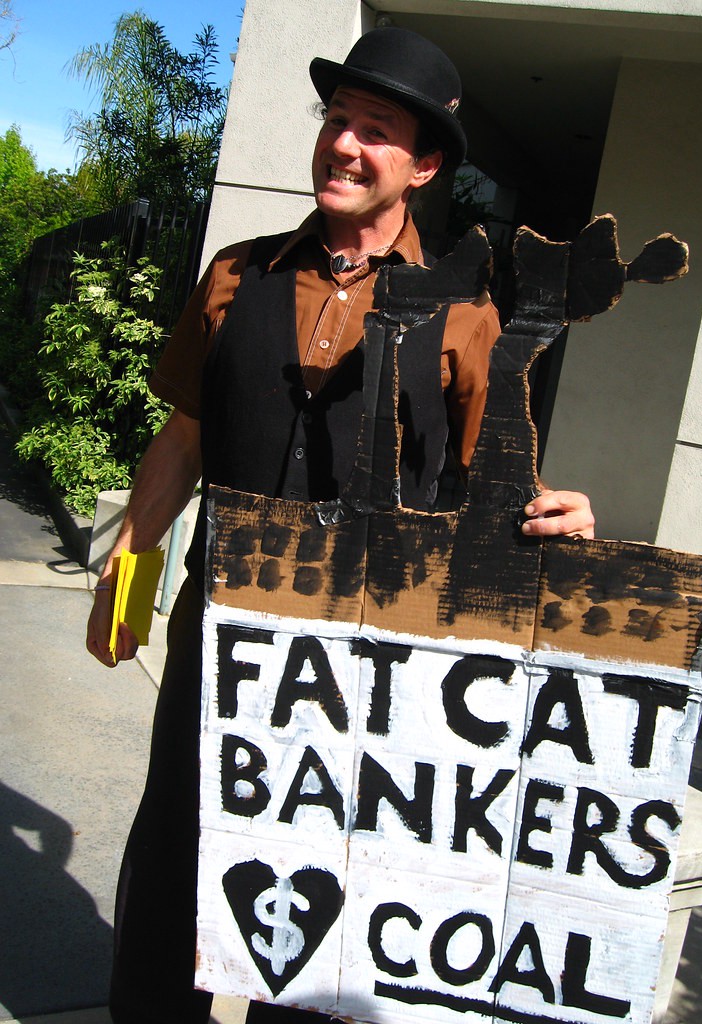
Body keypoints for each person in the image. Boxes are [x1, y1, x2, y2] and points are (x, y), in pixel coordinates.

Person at [86, 26, 595, 1024]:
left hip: (360, 656)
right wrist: (130, 570)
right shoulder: (237, 276)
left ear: (425, 163)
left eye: (377, 130)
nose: (346, 145)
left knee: (323, 869)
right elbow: (184, 436)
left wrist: (565, 520)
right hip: (219, 626)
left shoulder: (463, 315)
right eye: (337, 121)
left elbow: (492, 484)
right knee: (178, 840)